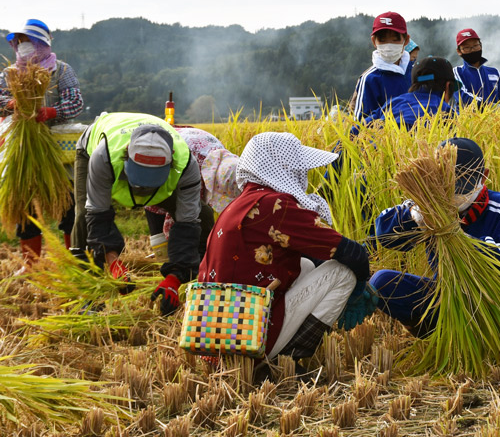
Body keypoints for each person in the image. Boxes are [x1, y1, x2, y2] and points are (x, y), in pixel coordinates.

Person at [198, 132, 375, 361]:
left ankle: (262, 355)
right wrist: (358, 290)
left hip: (216, 340)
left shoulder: (237, 205)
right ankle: (288, 359)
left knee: (306, 265)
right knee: (343, 273)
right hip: (248, 340)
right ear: (283, 167)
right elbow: (353, 254)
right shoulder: (275, 205)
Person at [370, 138, 500, 337]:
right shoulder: (428, 203)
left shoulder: (498, 207)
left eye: (462, 187)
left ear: (484, 177)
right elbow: (384, 232)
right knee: (382, 282)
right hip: (445, 295)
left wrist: (471, 245)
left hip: (490, 298)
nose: (455, 194)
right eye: (448, 185)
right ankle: (436, 334)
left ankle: (490, 334)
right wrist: (415, 217)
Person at [75, 112, 216, 314]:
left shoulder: (185, 165)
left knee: (202, 215)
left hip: (161, 166)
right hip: (92, 146)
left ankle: (197, 283)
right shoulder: (104, 156)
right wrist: (113, 263)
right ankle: (88, 294)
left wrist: (174, 278)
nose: (142, 189)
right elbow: (97, 218)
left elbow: (187, 225)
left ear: (170, 165)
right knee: (82, 218)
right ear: (126, 156)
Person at [0, 19, 84, 267]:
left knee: (68, 203)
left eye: (30, 41)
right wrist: (12, 104)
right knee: (24, 206)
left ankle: (74, 261)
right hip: (23, 147)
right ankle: (31, 266)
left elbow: (75, 103)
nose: (25, 46)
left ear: (42, 44)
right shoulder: (10, 74)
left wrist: (50, 112)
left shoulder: (61, 70)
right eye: (21, 41)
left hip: (59, 149)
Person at [145, 126, 241, 259]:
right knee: (183, 210)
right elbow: (185, 212)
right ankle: (167, 261)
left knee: (199, 215)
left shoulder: (224, 161)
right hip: (157, 160)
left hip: (179, 148)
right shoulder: (194, 167)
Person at [350, 12, 414, 121]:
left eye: (395, 39)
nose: (389, 45)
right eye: (382, 40)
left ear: (406, 40)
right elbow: (361, 125)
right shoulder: (369, 79)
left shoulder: (416, 72)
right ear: (374, 41)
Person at [366, 56, 459, 130]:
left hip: (378, 149)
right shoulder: (446, 111)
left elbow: (355, 129)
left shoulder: (391, 103)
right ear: (448, 86)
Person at [454, 28, 500, 107]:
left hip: (496, 118)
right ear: (459, 51)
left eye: (475, 45)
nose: (472, 50)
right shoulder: (456, 72)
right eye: (467, 47)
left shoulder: (494, 72)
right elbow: (462, 96)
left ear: (481, 46)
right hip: (468, 118)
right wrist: (491, 107)